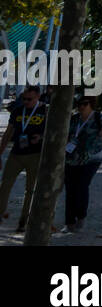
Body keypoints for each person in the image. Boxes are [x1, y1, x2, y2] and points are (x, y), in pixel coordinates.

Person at [62, 95, 102, 234]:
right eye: (79, 103)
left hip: (92, 158)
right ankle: (69, 222)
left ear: (91, 104)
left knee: (82, 185)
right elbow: (67, 135)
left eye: (84, 103)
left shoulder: (99, 117)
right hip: (72, 157)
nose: (81, 106)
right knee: (70, 188)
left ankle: (81, 217)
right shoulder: (74, 118)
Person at [0, 86, 46, 234]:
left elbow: (53, 132)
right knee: (5, 185)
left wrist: (41, 137)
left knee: (30, 190)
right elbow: (8, 133)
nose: (25, 102)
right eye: (23, 99)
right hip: (16, 153)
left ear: (38, 97)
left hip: (35, 155)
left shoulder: (46, 111)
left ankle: (24, 221)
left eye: (29, 99)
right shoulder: (18, 110)